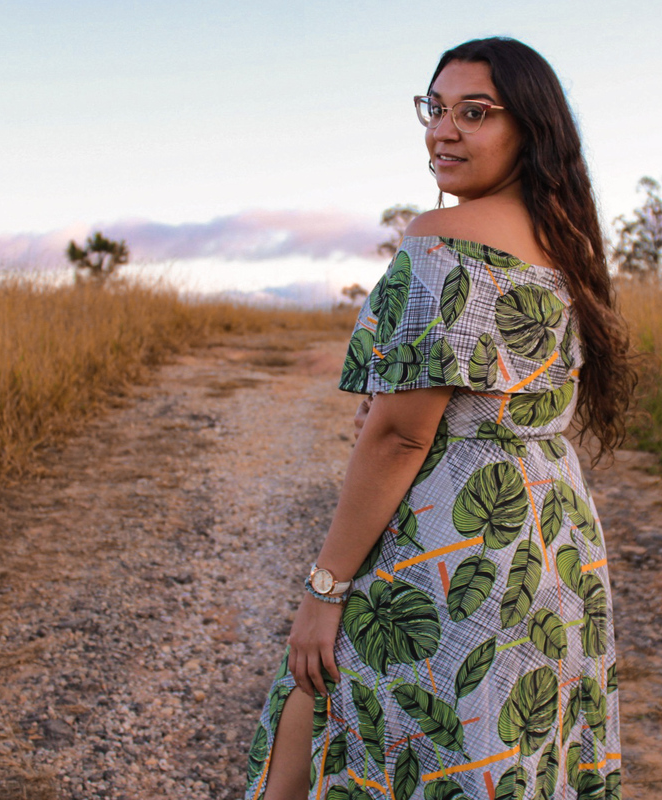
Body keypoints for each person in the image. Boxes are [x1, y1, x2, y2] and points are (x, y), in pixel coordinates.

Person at [245, 36, 635, 800]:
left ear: (530, 128)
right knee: (512, 747)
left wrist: (324, 590)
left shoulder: (441, 242)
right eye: (436, 108)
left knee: (335, 691)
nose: (443, 131)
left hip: (455, 536)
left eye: (476, 113)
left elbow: (400, 434)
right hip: (554, 542)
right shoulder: (568, 244)